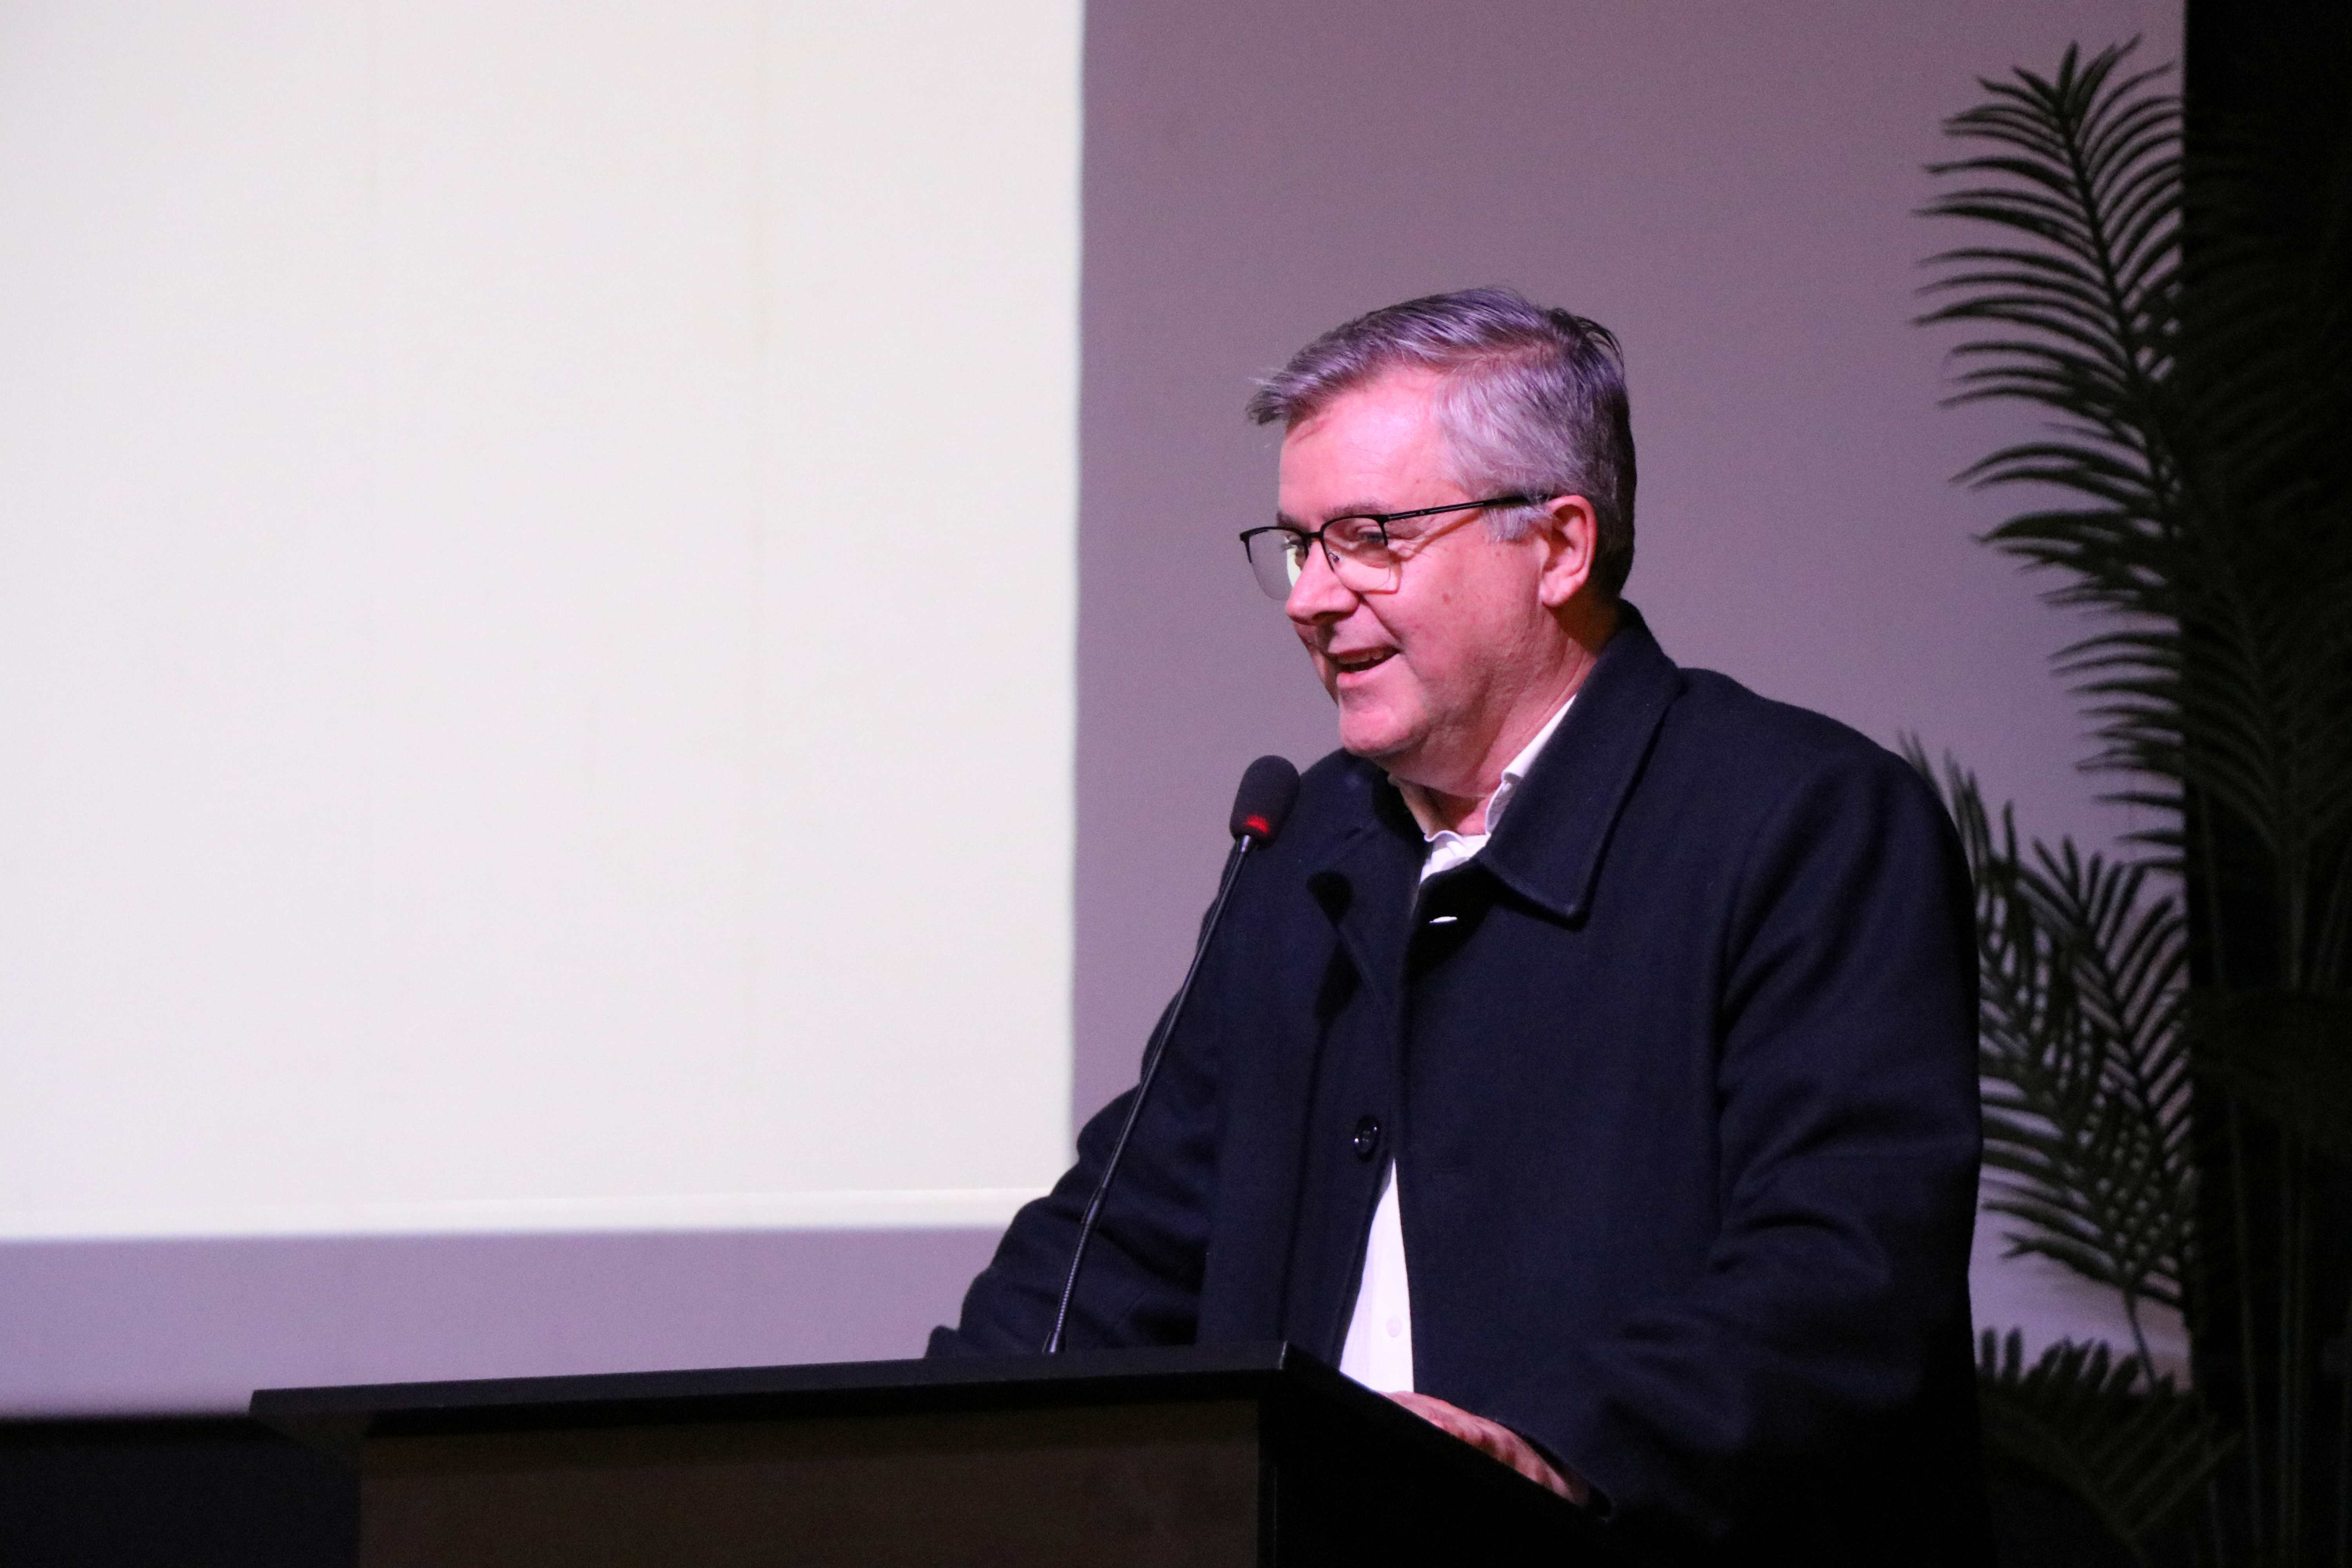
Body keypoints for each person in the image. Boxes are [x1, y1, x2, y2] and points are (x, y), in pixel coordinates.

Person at [930, 288, 1988, 1560]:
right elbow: (1122, 1240)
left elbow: (1845, 1276)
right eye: (1301, 545)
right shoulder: (1309, 847)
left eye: (1370, 538)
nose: (1311, 598)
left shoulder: (1798, 822)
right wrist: (916, 1459)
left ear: (1558, 546)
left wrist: (1550, 1448)